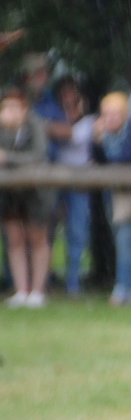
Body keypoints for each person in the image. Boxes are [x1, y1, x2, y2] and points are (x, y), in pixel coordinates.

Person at [0, 87, 53, 306]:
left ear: (24, 109)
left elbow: (38, 155)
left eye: (15, 106)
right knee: (14, 241)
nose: (10, 111)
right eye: (6, 107)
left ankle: (38, 292)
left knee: (38, 239)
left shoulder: (36, 125)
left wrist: (8, 158)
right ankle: (21, 290)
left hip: (35, 191)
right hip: (9, 192)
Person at [92, 91, 131, 304]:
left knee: (127, 242)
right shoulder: (103, 135)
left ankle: (124, 289)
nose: (110, 118)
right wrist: (98, 142)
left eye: (115, 113)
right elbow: (98, 161)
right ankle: (125, 287)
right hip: (112, 195)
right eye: (106, 114)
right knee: (121, 242)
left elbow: (125, 158)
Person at [51, 78, 95, 295]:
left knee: (78, 233)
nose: (68, 97)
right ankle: (48, 280)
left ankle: (73, 281)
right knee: (48, 231)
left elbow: (73, 134)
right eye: (64, 93)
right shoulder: (53, 114)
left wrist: (43, 125)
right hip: (54, 182)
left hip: (79, 183)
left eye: (72, 93)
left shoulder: (90, 121)